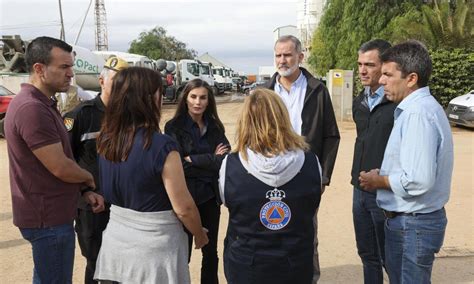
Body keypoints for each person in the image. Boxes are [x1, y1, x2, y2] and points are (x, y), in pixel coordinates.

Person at [4, 36, 105, 283]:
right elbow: (60, 167)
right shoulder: (32, 108)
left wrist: (81, 192)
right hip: (47, 220)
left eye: (71, 66)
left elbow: (49, 168)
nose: (71, 73)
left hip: (50, 214)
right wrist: (88, 178)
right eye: (64, 67)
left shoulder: (41, 103)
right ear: (39, 68)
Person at [94, 67, 209, 284]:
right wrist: (200, 235)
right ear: (147, 98)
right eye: (159, 92)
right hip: (152, 254)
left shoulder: (106, 140)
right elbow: (184, 208)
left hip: (115, 246)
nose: (162, 97)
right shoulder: (161, 145)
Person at [359, 40, 454, 284]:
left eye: (388, 75)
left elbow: (418, 179)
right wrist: (386, 172)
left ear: (411, 78)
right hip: (411, 224)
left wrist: (379, 180)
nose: (381, 80)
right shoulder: (417, 109)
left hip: (412, 225)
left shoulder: (417, 114)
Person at [219, 88, 322, 284]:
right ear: (283, 118)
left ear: (245, 120)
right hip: (295, 266)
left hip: (247, 265)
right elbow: (311, 205)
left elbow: (228, 202)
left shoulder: (230, 164)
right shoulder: (311, 162)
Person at [267, 34, 340, 283]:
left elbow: (331, 136)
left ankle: (309, 278)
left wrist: (323, 177)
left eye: (287, 54)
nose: (282, 60)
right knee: (271, 231)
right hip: (270, 177)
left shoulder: (317, 91)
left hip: (306, 177)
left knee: (307, 233)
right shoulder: (265, 92)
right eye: (278, 55)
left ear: (300, 56)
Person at [63, 56, 129, 284]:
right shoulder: (80, 115)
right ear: (101, 80)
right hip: (93, 206)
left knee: (124, 263)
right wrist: (83, 192)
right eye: (116, 81)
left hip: (125, 205)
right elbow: (65, 160)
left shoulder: (130, 117)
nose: (121, 87)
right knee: (96, 263)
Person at [165, 78, 229, 284]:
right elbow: (178, 167)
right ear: (185, 99)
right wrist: (211, 159)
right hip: (185, 198)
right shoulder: (173, 127)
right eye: (193, 97)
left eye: (203, 97)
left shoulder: (216, 126)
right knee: (183, 254)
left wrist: (193, 159)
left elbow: (225, 160)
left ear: (209, 100)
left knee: (211, 253)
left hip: (210, 198)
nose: (198, 102)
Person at [351, 39, 394, 284]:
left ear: (385, 65)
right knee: (367, 254)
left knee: (389, 255)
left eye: (370, 64)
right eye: (360, 64)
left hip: (384, 189)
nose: (363, 70)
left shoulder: (397, 102)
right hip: (359, 188)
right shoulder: (361, 100)